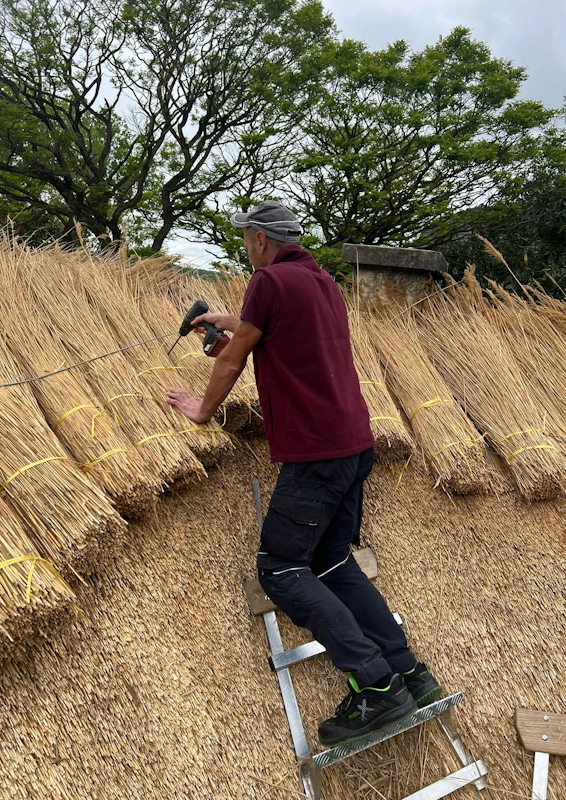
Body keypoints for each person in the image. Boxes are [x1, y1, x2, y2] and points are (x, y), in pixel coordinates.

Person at [167, 201, 441, 746]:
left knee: (281, 569)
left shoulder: (266, 280)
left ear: (261, 241)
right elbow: (267, 334)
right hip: (352, 444)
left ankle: (376, 685)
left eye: (247, 238)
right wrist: (232, 322)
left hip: (314, 455)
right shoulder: (319, 282)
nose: (246, 247)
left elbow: (232, 358)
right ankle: (409, 671)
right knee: (334, 560)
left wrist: (202, 409)